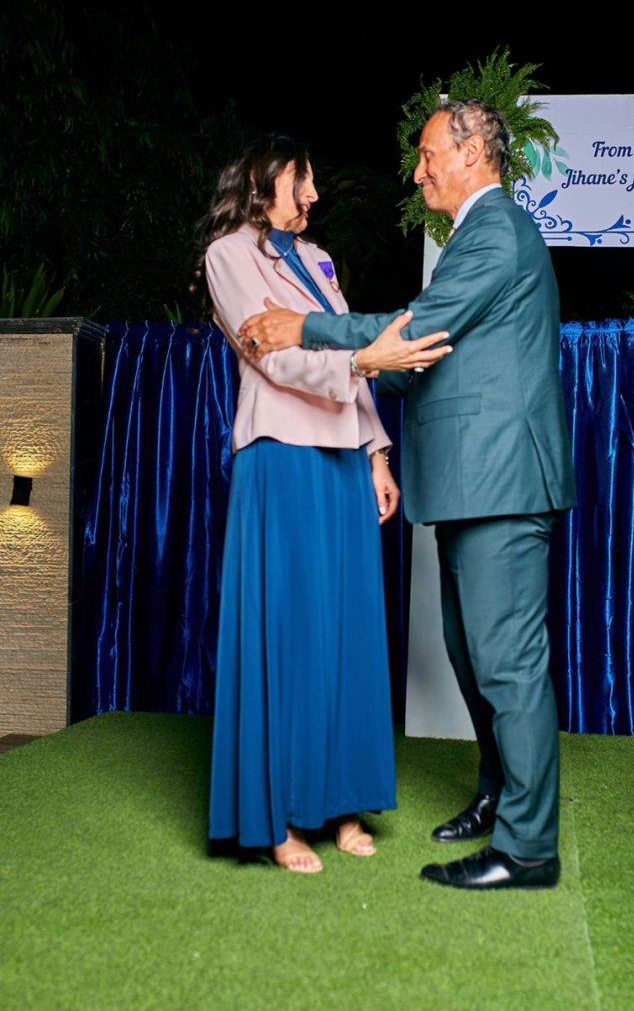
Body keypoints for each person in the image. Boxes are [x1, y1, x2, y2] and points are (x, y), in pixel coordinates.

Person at [239, 101, 578, 890]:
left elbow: (418, 330)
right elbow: (420, 360)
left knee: (508, 664)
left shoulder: (495, 232)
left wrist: (303, 330)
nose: (417, 171)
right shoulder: (475, 237)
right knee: (473, 656)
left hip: (500, 479)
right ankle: (500, 794)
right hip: (469, 482)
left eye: (428, 155)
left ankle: (528, 848)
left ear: (472, 154)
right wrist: (363, 370)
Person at [203, 134, 450, 874]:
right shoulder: (227, 255)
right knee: (290, 630)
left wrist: (376, 453)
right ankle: (280, 819)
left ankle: (343, 804)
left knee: (347, 629)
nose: (313, 195)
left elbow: (352, 367)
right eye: (301, 180)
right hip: (281, 455)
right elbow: (271, 355)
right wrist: (363, 359)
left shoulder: (318, 261)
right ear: (263, 180)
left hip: (343, 457)